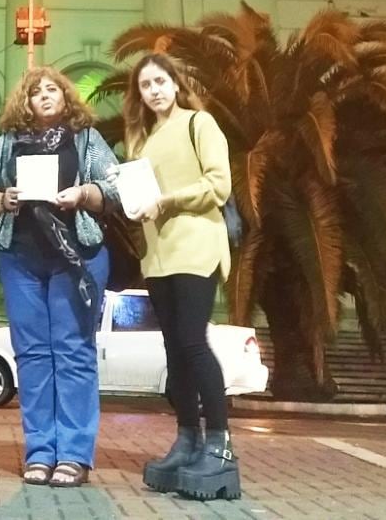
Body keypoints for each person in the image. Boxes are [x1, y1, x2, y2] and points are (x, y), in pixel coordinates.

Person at [0, 68, 120, 488]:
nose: (45, 96)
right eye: (36, 92)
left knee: (73, 352)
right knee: (33, 355)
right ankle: (40, 451)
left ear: (65, 96)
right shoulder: (8, 142)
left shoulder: (86, 139)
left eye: (52, 89)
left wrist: (84, 194)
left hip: (77, 259)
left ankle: (73, 454)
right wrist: (1, 199)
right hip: (20, 259)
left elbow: (115, 187)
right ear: (26, 101)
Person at [122, 51, 239, 502]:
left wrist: (166, 200)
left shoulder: (199, 124)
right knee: (174, 349)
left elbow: (219, 184)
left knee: (192, 342)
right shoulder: (142, 142)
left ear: (176, 83)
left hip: (195, 245)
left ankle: (220, 445)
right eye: (145, 85)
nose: (153, 91)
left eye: (160, 81)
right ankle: (188, 439)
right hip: (158, 255)